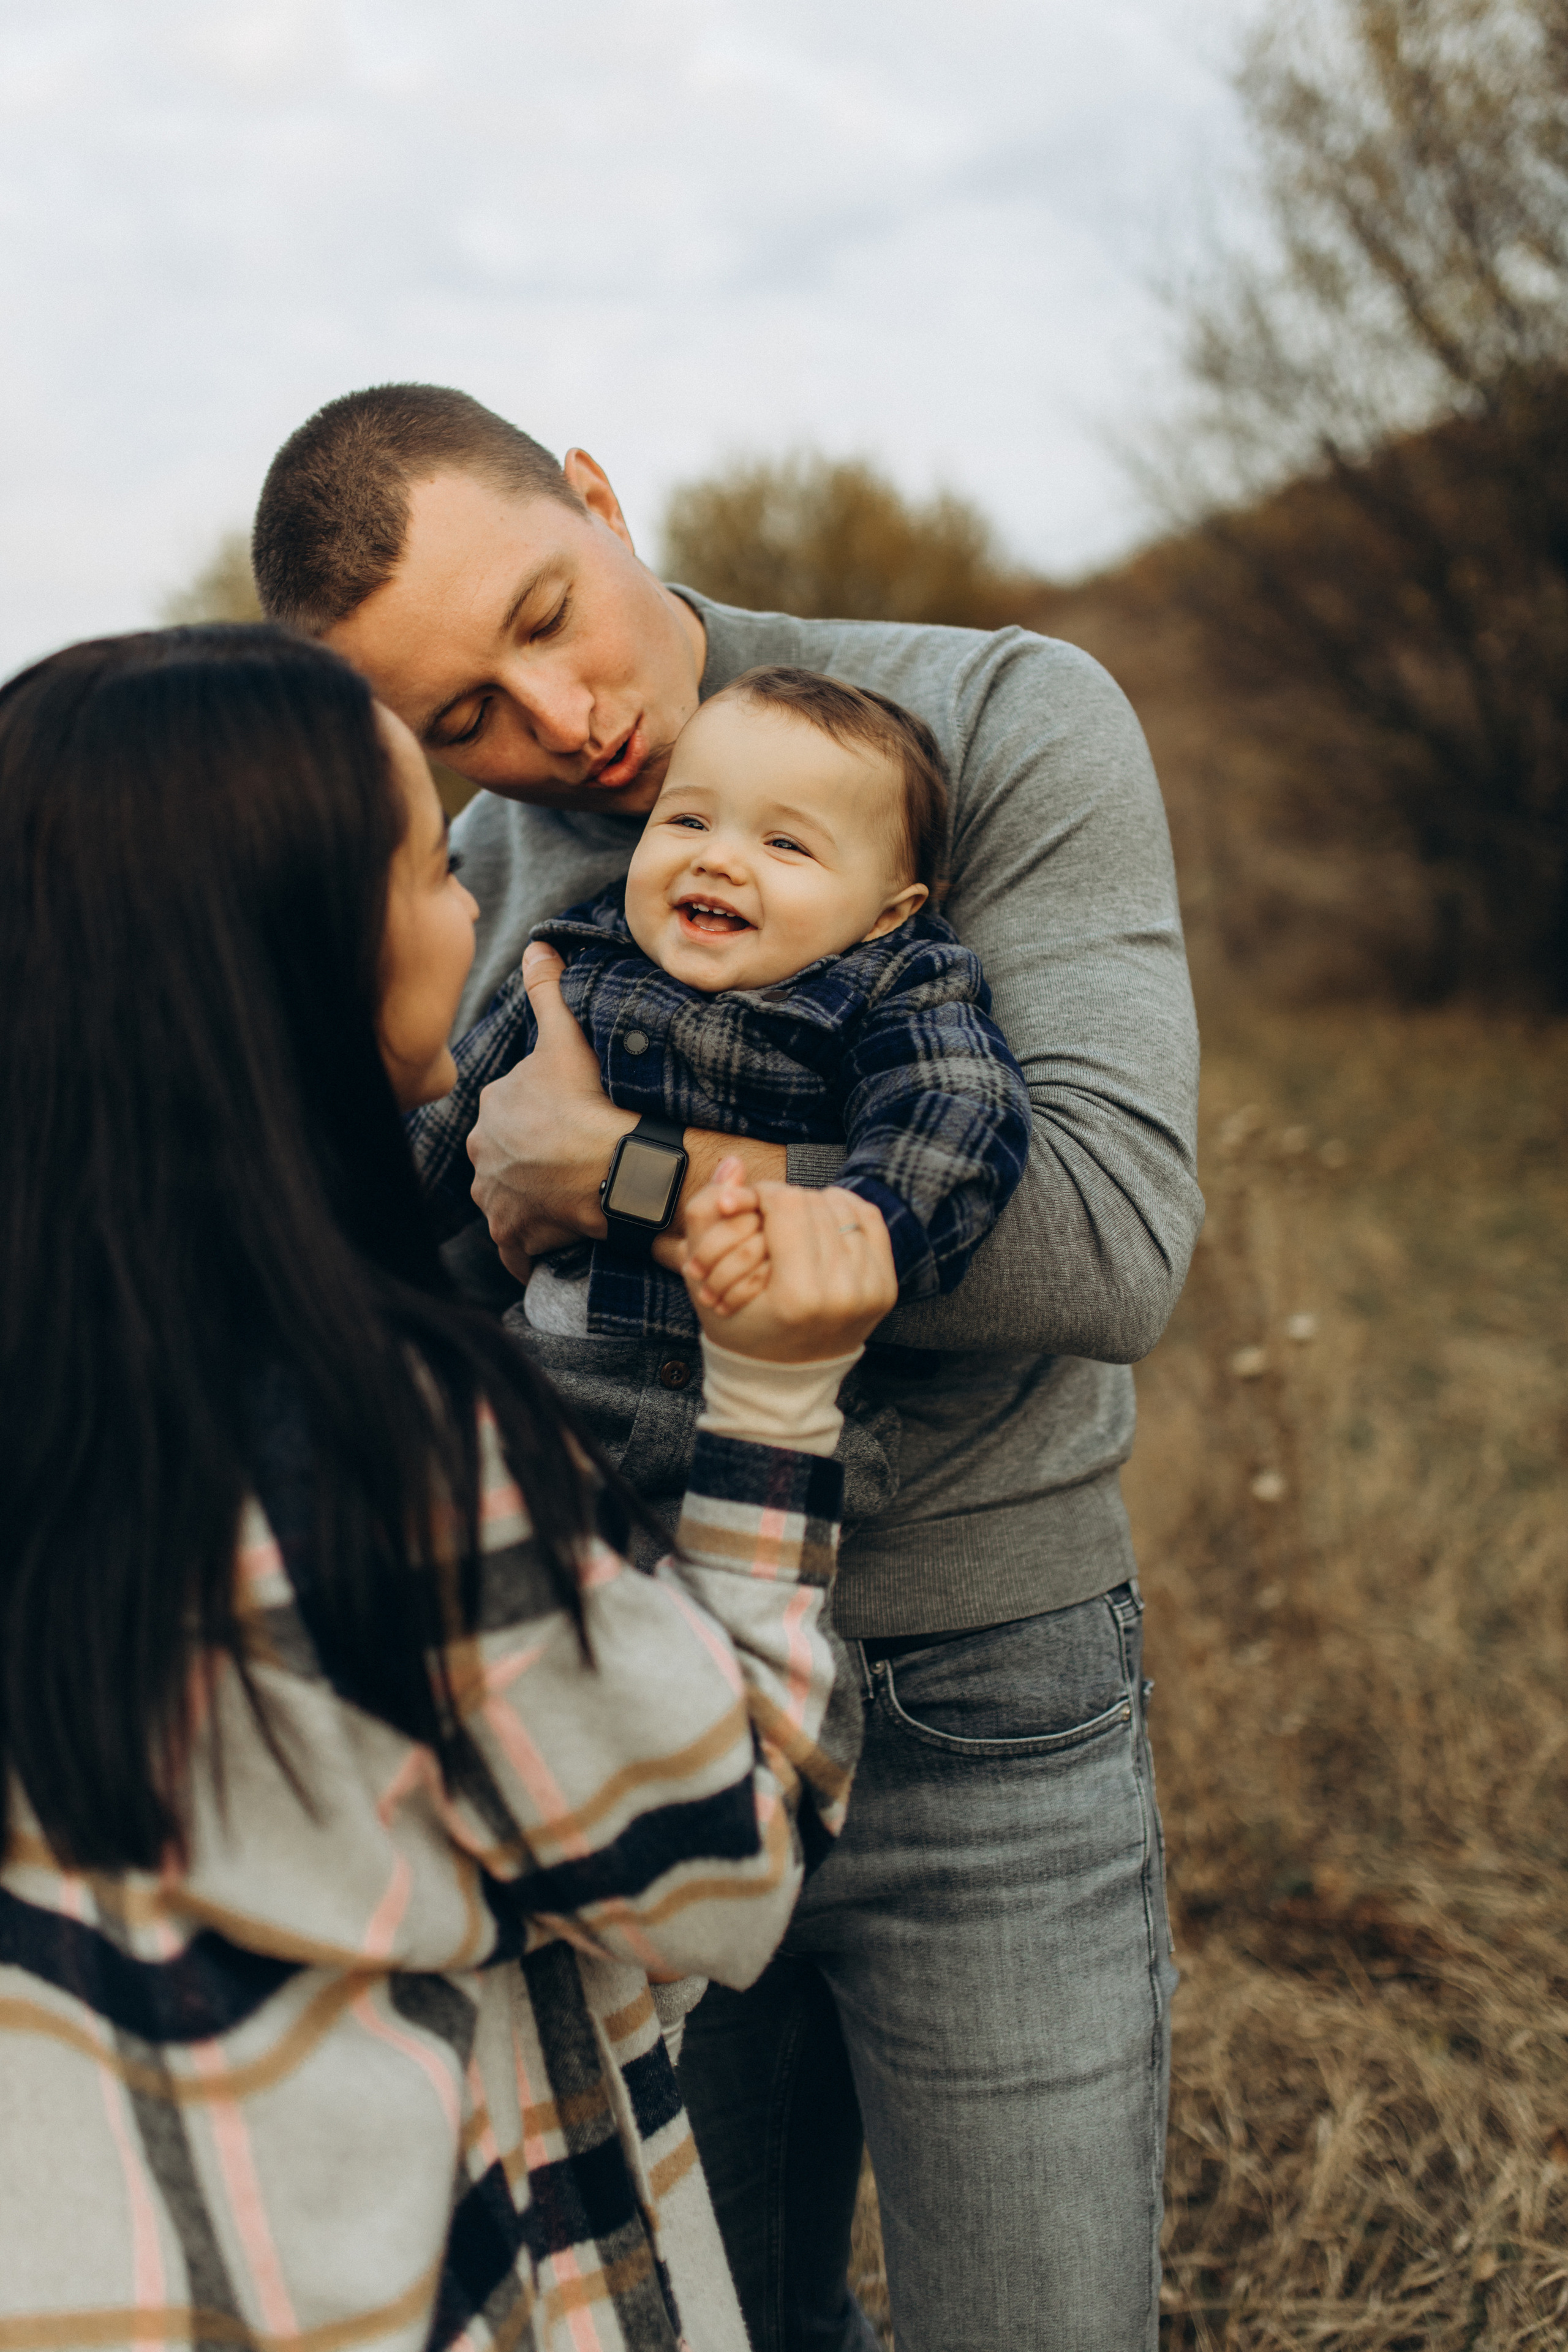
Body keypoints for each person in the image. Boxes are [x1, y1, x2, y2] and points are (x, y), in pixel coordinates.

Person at [251, 384, 1204, 2352]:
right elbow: (383, 1288)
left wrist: (610, 1171)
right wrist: (497, 1211)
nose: (557, 722)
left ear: (596, 495)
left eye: (543, 612)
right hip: (631, 1718)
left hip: (984, 1699)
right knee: (720, 2323)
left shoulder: (992, 720)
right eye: (459, 720)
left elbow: (1108, 1237)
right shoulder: (445, 896)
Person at [0, 624, 895, 2350]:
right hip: (369, 2278)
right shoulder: (378, 1443)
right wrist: (778, 1395)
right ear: (296, 951)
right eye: (427, 862)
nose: (476, 908)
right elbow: (715, 1868)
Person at [407, 662, 1032, 1531]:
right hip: (549, 1401)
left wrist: (849, 1235)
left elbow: (957, 1115)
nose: (718, 857)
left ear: (892, 911)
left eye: (786, 845)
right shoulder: (580, 957)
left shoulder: (891, 984)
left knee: (762, 1647)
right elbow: (433, 1141)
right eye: (690, 819)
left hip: (764, 1422)